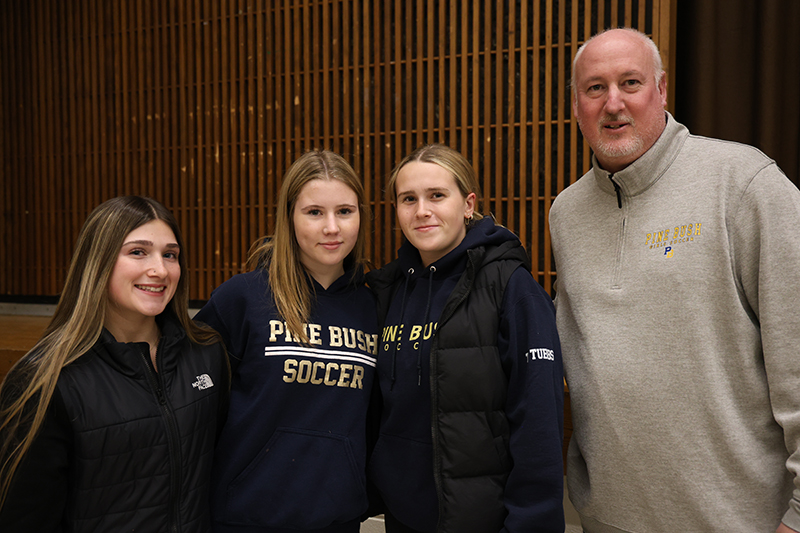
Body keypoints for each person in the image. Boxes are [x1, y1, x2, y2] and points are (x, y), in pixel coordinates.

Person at [550, 27, 800, 533]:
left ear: (662, 91)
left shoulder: (744, 182)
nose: (613, 103)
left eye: (631, 82)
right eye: (594, 88)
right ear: (576, 105)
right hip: (607, 521)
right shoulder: (566, 213)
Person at [366, 143, 565, 533]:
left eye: (437, 196)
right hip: (404, 516)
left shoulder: (512, 287)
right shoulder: (386, 290)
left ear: (468, 204)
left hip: (485, 519)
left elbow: (538, 419)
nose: (422, 210)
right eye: (409, 199)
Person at [0, 195, 229, 532]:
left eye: (170, 255)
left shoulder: (206, 352)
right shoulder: (46, 379)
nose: (160, 269)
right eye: (138, 252)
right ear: (99, 262)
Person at [195, 149, 378, 533]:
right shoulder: (242, 299)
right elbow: (197, 409)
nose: (332, 227)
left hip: (335, 519)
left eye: (344, 211)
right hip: (245, 518)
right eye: (314, 212)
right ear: (289, 217)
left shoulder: (375, 306)